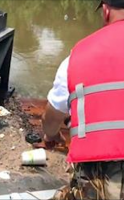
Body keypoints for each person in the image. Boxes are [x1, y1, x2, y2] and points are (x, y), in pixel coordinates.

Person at [42, 0, 124, 199]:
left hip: (105, 176)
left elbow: (51, 118)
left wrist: (51, 136)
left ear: (105, 11)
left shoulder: (78, 56)